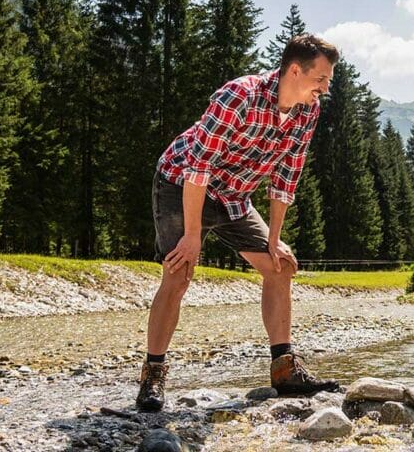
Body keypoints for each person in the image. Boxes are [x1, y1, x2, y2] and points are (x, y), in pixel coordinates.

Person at [136, 34, 341, 412]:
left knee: (280, 267)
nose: (325, 89)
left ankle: (284, 370)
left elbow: (285, 179)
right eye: (321, 80)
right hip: (181, 183)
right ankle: (153, 375)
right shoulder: (239, 96)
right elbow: (198, 167)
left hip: (234, 196)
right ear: (295, 70)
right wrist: (193, 235)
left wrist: (275, 239)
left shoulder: (307, 112)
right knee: (179, 273)